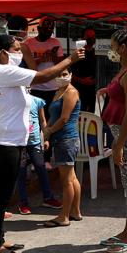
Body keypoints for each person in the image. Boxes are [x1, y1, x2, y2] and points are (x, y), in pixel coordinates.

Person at [0, 34, 83, 253]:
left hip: (7, 142)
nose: (22, 52)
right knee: (1, 195)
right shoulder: (4, 71)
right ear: (5, 52)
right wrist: (70, 59)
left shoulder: (2, 75)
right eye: (18, 49)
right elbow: (43, 75)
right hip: (2, 143)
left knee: (3, 194)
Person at [98, 27, 127, 253]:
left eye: (114, 45)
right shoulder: (124, 69)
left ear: (123, 48)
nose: (112, 48)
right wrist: (108, 90)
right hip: (123, 136)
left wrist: (118, 147)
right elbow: (122, 92)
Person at [41, 68, 82, 228]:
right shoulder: (59, 91)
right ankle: (75, 212)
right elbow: (54, 116)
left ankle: (64, 216)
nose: (61, 77)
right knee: (71, 177)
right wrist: (47, 131)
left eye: (64, 74)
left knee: (66, 181)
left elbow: (64, 118)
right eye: (58, 74)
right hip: (61, 139)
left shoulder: (71, 92)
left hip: (67, 139)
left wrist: (49, 131)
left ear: (71, 75)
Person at [16, 96, 61, 215]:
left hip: (35, 142)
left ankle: (48, 198)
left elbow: (43, 121)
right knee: (21, 173)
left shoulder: (37, 101)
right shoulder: (14, 100)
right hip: (19, 143)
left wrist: (45, 139)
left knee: (41, 169)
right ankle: (23, 202)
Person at [22, 17, 64, 113]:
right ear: (38, 29)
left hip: (53, 87)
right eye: (45, 30)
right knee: (36, 116)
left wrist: (53, 57)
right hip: (35, 87)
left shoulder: (55, 42)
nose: (48, 33)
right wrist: (41, 60)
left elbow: (61, 64)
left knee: (51, 117)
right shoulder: (28, 43)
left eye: (50, 31)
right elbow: (25, 66)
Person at [72, 27, 98, 113]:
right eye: (88, 36)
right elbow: (69, 74)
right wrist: (82, 81)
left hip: (91, 92)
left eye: (93, 36)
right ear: (83, 38)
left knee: (90, 117)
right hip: (79, 93)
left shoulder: (94, 53)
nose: (91, 38)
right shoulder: (78, 53)